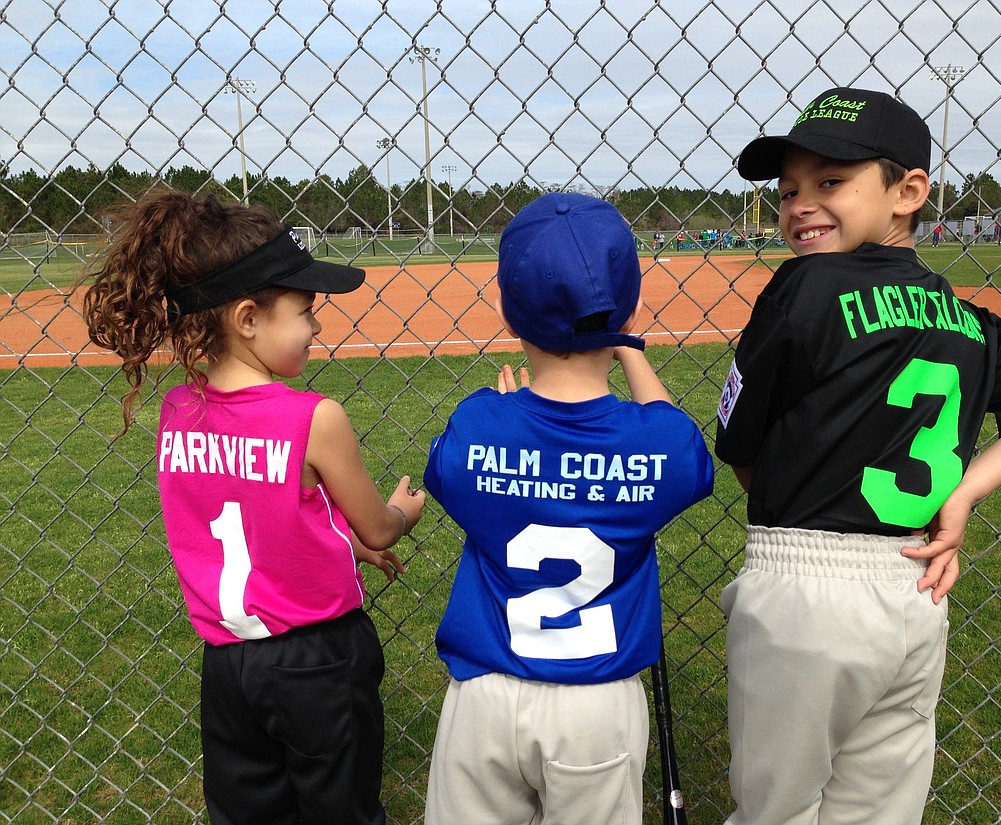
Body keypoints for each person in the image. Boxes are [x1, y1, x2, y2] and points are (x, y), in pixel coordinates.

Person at [715, 87, 1001, 825]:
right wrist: (964, 490)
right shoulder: (965, 318)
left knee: (778, 808)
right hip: (916, 589)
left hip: (807, 579)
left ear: (909, 191)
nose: (799, 204)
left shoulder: (805, 284)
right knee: (880, 807)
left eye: (830, 183)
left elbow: (740, 444)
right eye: (789, 189)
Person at [80, 189, 425, 825]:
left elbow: (256, 523)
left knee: (247, 810)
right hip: (320, 657)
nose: (316, 326)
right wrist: (401, 513)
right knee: (340, 808)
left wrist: (343, 545)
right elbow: (378, 523)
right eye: (304, 310)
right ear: (246, 318)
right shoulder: (314, 418)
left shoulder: (178, 410)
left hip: (231, 663)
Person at [422, 192, 714, 825]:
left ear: (509, 311)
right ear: (627, 308)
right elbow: (670, 430)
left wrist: (508, 422)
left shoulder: (477, 424)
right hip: (597, 706)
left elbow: (461, 475)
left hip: (486, 694)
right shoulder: (660, 445)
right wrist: (628, 344)